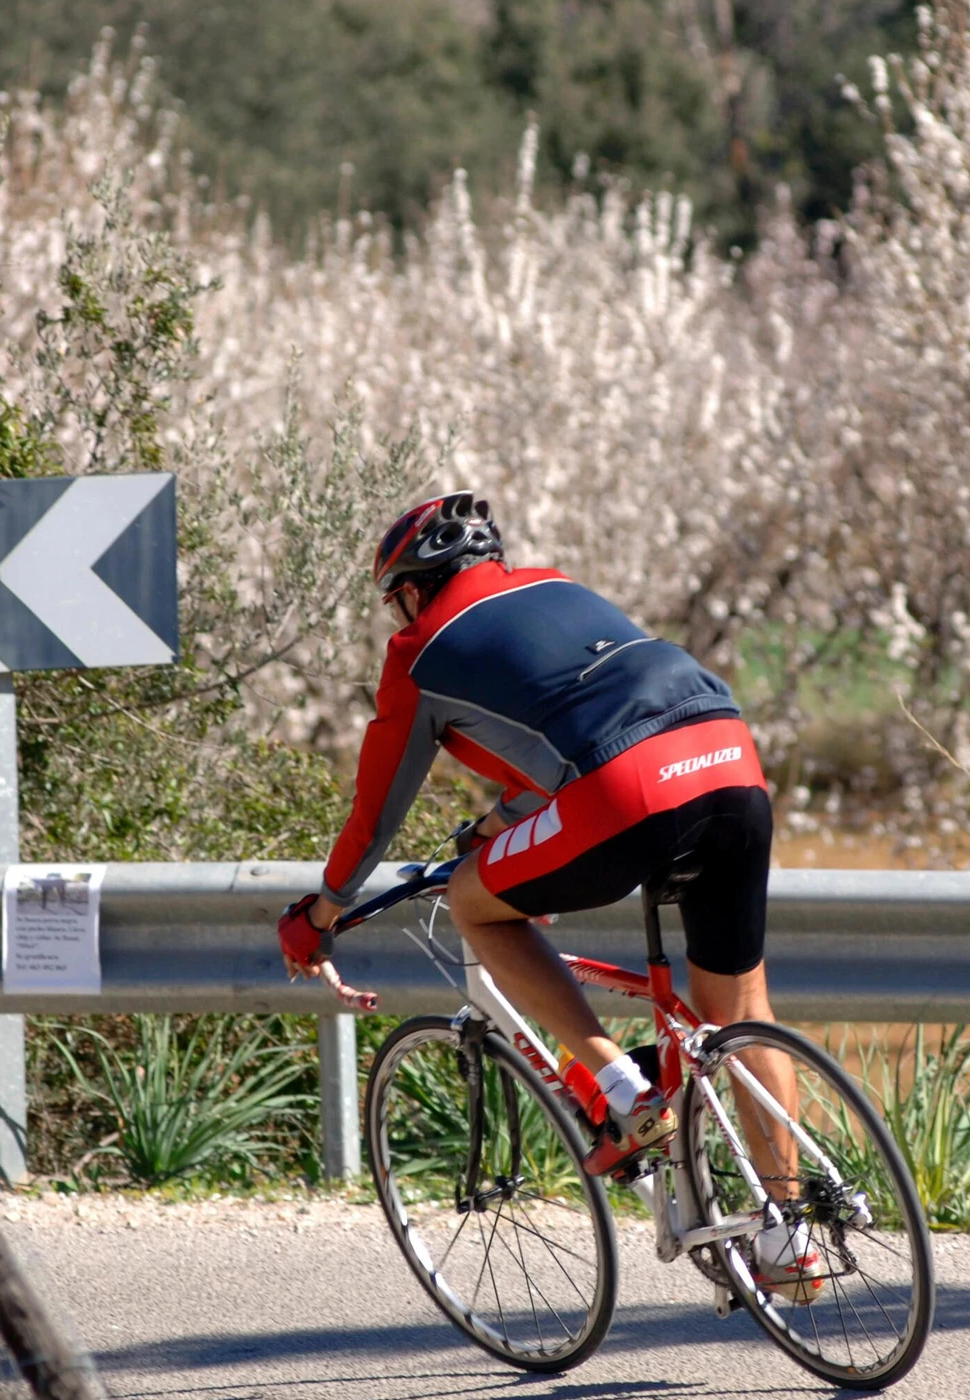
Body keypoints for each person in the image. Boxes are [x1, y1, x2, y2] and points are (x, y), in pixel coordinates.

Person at [277, 492, 821, 1296]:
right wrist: (498, 821)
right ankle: (790, 1237)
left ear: (414, 588)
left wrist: (321, 912)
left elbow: (375, 814)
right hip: (728, 755)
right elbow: (584, 720)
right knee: (738, 1008)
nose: (397, 615)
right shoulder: (559, 588)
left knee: (472, 899)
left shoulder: (419, 649)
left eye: (396, 599)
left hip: (627, 788)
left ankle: (615, 1083)